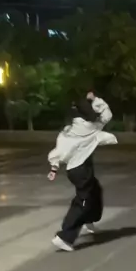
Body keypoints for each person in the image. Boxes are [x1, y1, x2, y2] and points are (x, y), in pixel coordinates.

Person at [47, 91, 117, 252]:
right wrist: (95, 99)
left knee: (95, 190)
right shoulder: (92, 127)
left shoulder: (68, 130)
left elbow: (59, 150)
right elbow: (107, 114)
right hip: (81, 170)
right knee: (83, 202)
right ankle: (64, 237)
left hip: (75, 170)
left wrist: (54, 167)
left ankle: (89, 220)